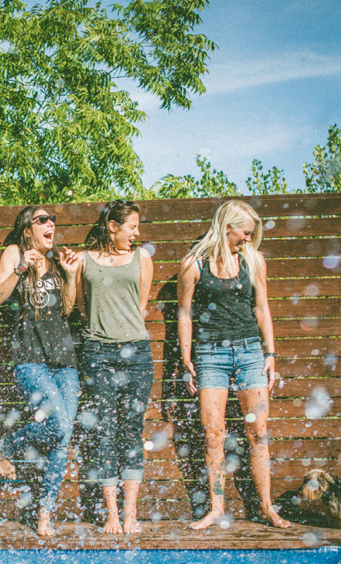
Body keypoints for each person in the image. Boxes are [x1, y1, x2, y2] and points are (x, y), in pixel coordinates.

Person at [176, 200, 291, 529]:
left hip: (250, 352)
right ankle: (216, 509)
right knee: (213, 434)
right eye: (245, 232)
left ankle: (267, 508)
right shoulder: (193, 264)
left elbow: (262, 308)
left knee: (258, 432)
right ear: (227, 227)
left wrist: (270, 354)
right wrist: (186, 357)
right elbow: (184, 313)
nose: (248, 239)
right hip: (210, 355)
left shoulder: (253, 261)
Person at [0, 205, 81, 536]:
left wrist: (70, 276)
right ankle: (7, 447)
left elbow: (67, 309)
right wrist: (21, 269)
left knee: (63, 434)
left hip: (64, 361)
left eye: (52, 219)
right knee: (57, 423)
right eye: (42, 220)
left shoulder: (57, 259)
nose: (51, 224)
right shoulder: (14, 252)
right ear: (28, 228)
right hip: (29, 357)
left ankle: (45, 512)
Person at [75, 201, 154, 535]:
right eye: (132, 227)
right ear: (112, 226)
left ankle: (131, 513)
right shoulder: (83, 260)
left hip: (136, 353)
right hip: (97, 353)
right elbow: (81, 306)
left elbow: (141, 307)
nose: (137, 234)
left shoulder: (142, 259)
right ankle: (111, 515)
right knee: (104, 431)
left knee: (131, 431)